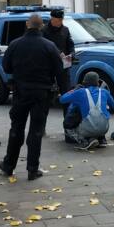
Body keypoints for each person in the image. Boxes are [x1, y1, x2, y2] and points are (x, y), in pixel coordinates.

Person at [0, 14, 65, 181]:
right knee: (36, 132)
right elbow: (59, 70)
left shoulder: (15, 44)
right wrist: (62, 90)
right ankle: (32, 169)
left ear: (28, 25)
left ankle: (8, 165)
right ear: (41, 26)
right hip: (42, 94)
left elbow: (6, 67)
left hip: (21, 92)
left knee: (16, 129)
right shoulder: (49, 46)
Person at [59, 72, 114, 150]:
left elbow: (62, 99)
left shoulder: (80, 92)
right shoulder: (104, 92)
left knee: (68, 125)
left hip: (87, 129)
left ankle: (85, 140)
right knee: (100, 114)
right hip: (104, 128)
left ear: (84, 83)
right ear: (97, 83)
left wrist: (74, 90)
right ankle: (101, 139)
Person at [42, 9, 75, 138]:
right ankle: (41, 127)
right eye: (57, 20)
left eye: (61, 20)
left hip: (63, 68)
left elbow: (70, 45)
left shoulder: (65, 30)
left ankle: (67, 127)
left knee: (67, 96)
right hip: (48, 70)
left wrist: (71, 54)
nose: (59, 22)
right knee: (45, 99)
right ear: (52, 19)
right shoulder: (44, 31)